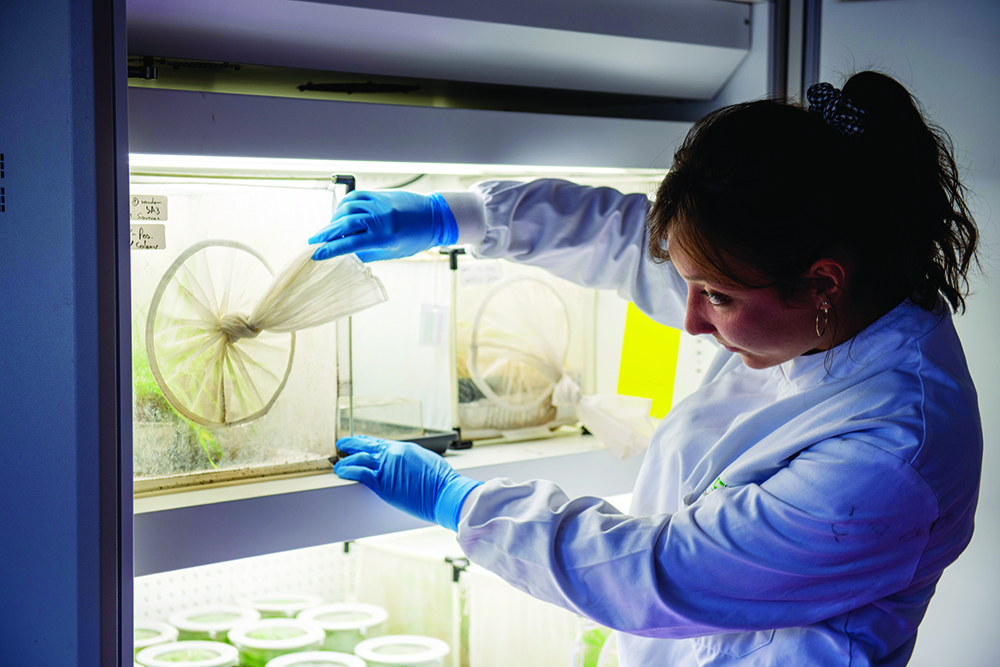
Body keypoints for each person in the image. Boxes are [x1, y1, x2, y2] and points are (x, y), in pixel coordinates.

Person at [310, 71, 982, 666]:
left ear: (821, 283)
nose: (689, 319)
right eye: (689, 283)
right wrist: (455, 216)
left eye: (715, 296)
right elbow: (635, 240)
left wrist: (463, 504)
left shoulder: (894, 447)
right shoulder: (816, 299)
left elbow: (663, 573)